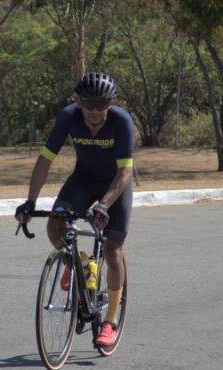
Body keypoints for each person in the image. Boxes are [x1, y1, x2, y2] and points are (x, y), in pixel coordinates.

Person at [15, 72, 134, 347]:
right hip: (83, 179)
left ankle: (110, 322)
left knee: (112, 247)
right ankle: (79, 262)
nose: (95, 111)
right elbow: (45, 160)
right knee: (56, 224)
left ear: (112, 102)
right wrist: (30, 202)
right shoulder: (68, 117)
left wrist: (104, 204)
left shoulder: (122, 121)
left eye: (101, 105)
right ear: (78, 102)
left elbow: (126, 170)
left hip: (116, 183)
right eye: (89, 105)